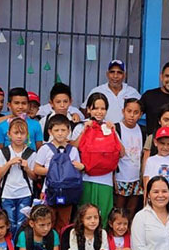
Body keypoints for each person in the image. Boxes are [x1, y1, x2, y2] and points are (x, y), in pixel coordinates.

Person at [34, 114, 85, 233]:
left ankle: (61, 249)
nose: (60, 133)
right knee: (47, 221)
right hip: (49, 191)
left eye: (63, 130)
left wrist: (81, 167)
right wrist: (54, 171)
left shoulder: (73, 150)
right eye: (56, 130)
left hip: (68, 192)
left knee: (64, 223)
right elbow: (36, 169)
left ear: (69, 131)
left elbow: (77, 170)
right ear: (50, 131)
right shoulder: (45, 149)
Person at [72, 93, 119, 223]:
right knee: (84, 217)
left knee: (103, 217)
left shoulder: (109, 128)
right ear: (88, 109)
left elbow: (122, 153)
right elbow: (72, 148)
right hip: (85, 178)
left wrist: (114, 133)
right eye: (95, 108)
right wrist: (84, 131)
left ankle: (101, 242)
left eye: (103, 108)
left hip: (105, 180)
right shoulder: (81, 126)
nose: (99, 112)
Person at [0, 118, 36, 238]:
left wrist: (27, 168)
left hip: (25, 193)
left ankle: (19, 249)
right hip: (7, 194)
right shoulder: (4, 152)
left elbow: (35, 177)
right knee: (10, 224)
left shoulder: (31, 153)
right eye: (16, 133)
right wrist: (8, 163)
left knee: (22, 224)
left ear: (27, 135)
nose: (19, 136)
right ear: (9, 134)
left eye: (22, 133)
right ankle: (10, 249)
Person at [83, 59, 140, 124]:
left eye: (119, 72)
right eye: (112, 72)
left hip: (125, 132)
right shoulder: (97, 91)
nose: (115, 76)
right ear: (107, 74)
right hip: (103, 130)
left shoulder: (132, 93)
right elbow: (84, 110)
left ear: (124, 75)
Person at [142, 126, 169, 209]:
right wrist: (145, 201)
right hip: (154, 201)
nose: (165, 147)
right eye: (162, 143)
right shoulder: (150, 160)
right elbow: (147, 183)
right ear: (155, 142)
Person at [114, 98, 144, 215]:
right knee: (119, 210)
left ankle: (129, 232)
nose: (132, 115)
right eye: (129, 111)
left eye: (136, 112)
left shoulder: (142, 130)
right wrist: (113, 179)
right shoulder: (117, 128)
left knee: (132, 210)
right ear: (123, 111)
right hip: (120, 177)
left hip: (136, 179)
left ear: (140, 114)